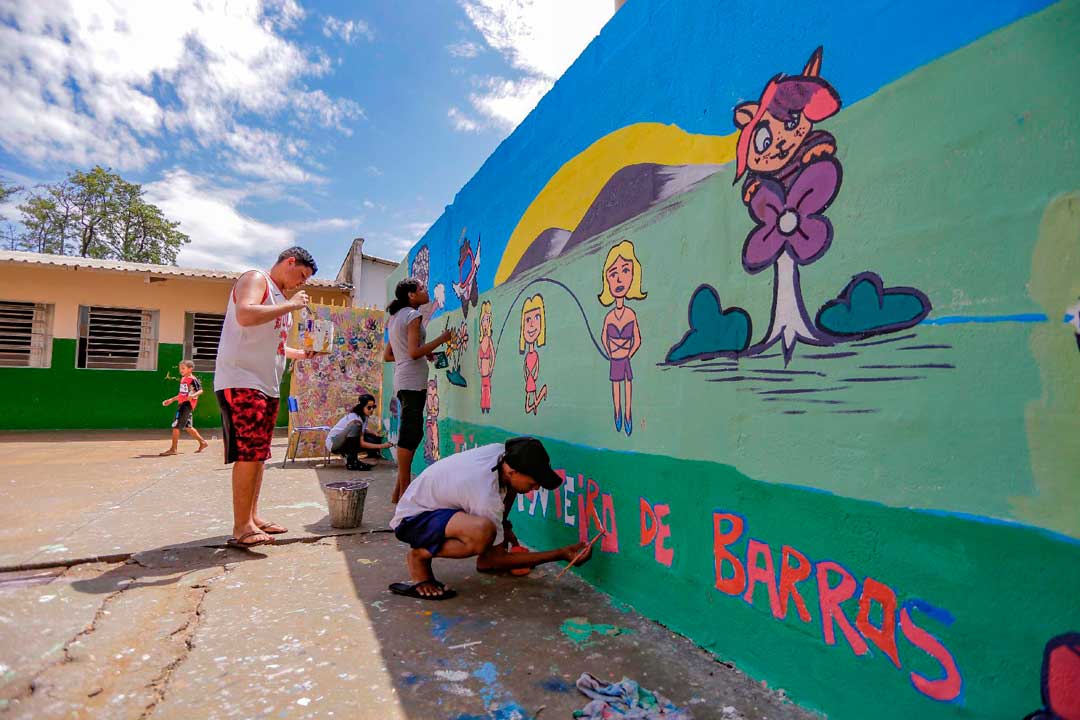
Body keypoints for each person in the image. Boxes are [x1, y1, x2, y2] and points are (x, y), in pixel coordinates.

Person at [388, 436, 593, 600]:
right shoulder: (484, 493)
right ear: (512, 471)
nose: (536, 488)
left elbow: (507, 494)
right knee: (482, 532)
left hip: (435, 510)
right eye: (533, 483)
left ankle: (484, 557)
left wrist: (504, 528)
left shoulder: (502, 454)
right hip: (413, 521)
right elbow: (498, 557)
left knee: (510, 494)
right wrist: (560, 554)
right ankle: (419, 559)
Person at [214, 247, 319, 548]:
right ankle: (241, 526)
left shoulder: (278, 297)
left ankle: (253, 517)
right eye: (300, 275)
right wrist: (290, 306)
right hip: (242, 381)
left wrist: (301, 353)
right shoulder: (255, 278)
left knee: (259, 455)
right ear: (289, 262)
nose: (301, 283)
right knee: (248, 454)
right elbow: (245, 314)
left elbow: (273, 345)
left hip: (266, 385)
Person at [383, 278, 452, 503]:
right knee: (410, 433)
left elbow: (389, 355)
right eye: (421, 288)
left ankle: (396, 492)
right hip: (412, 382)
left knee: (412, 431)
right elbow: (413, 352)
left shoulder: (395, 319)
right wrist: (441, 340)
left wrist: (423, 352)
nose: (425, 291)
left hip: (404, 381)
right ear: (411, 295)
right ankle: (404, 491)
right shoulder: (413, 316)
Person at [599, 240, 646, 437]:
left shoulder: (631, 314)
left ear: (633, 276)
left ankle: (628, 415)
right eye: (613, 273)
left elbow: (638, 339)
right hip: (615, 358)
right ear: (607, 280)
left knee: (628, 385)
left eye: (625, 271)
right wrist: (611, 352)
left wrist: (629, 352)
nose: (618, 279)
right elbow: (603, 337)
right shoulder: (608, 316)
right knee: (616, 387)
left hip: (625, 358)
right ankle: (617, 413)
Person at [325, 394, 393, 470]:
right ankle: (352, 462)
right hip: (333, 443)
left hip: (342, 441)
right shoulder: (356, 418)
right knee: (357, 426)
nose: (372, 410)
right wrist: (383, 446)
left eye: (373, 407)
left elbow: (363, 430)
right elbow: (361, 443)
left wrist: (374, 433)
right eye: (369, 407)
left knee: (373, 438)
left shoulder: (364, 417)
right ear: (362, 407)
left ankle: (353, 459)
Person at [159, 359, 209, 455]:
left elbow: (200, 391)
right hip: (182, 404)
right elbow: (182, 394)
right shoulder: (183, 379)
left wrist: (193, 396)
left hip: (187, 405)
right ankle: (203, 442)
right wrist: (171, 400)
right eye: (180, 368)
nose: (180, 370)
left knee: (176, 426)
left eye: (183, 368)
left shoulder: (192, 379)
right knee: (188, 427)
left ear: (190, 369)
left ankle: (173, 449)